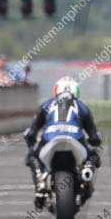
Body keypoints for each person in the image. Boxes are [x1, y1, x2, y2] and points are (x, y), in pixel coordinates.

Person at [23, 76, 102, 210]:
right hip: (75, 138)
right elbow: (94, 136)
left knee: (32, 156)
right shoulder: (82, 107)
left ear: (56, 90)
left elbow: (31, 132)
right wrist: (94, 141)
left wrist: (31, 144)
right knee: (94, 155)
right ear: (75, 91)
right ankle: (86, 173)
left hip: (50, 139)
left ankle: (40, 181)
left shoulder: (46, 105)